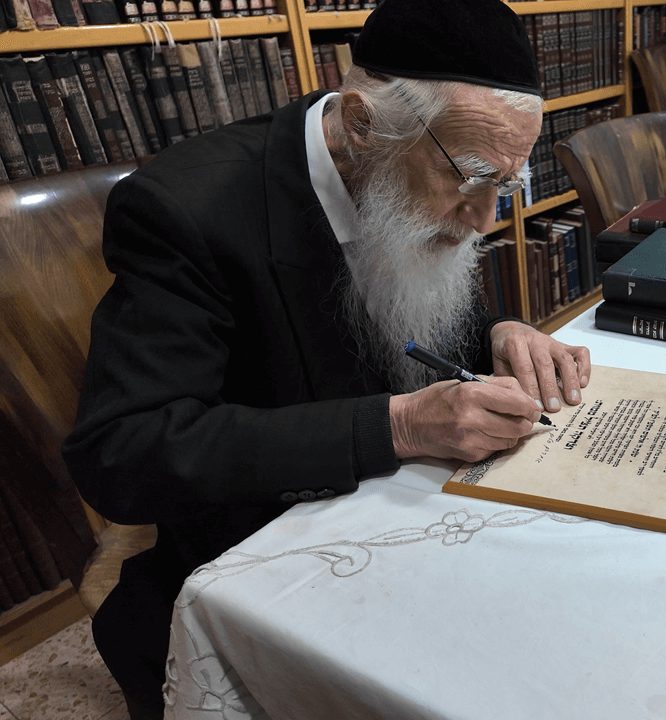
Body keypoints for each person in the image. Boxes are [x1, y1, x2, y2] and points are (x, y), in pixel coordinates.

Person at [61, 1, 589, 717]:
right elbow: (122, 453)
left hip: (404, 519)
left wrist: (498, 331)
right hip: (265, 562)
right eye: (470, 177)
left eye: (506, 184)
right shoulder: (183, 209)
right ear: (363, 124)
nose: (484, 218)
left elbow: (412, 315)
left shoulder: (406, 171)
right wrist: (400, 425)